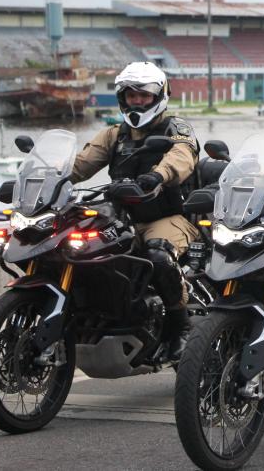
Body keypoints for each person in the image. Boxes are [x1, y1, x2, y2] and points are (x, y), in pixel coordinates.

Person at [70, 61, 199, 364]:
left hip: (168, 217)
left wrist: (158, 175)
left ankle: (179, 327)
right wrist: (42, 175)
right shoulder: (114, 135)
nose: (137, 101)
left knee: (158, 255)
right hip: (122, 219)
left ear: (160, 96)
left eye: (144, 95)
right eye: (131, 95)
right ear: (123, 98)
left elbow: (182, 157)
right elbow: (80, 165)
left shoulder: (176, 128)